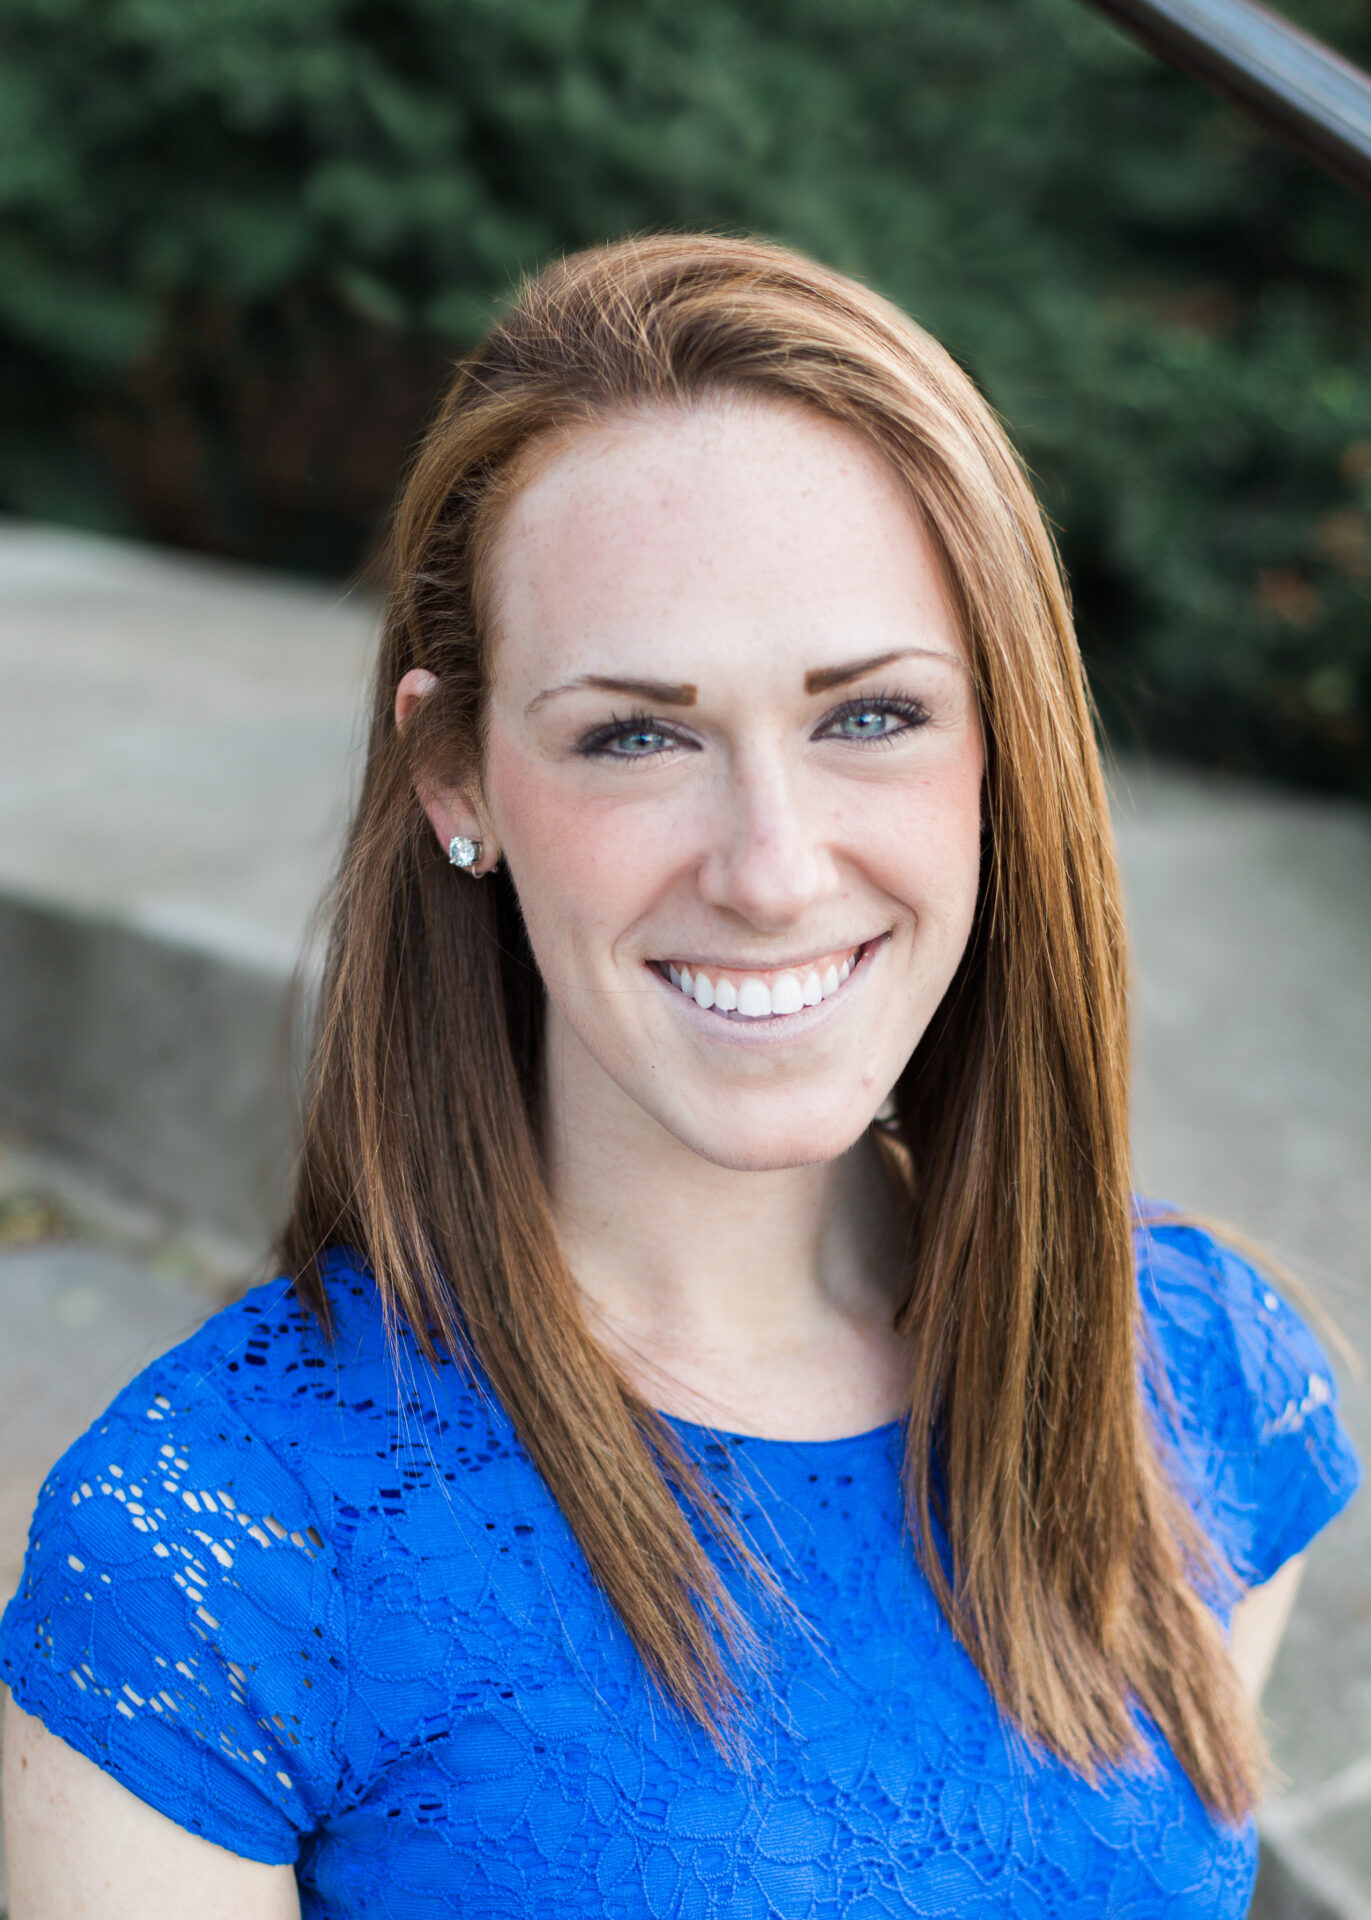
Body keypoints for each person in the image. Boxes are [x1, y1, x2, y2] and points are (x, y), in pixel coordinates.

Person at [0, 234, 1360, 1919]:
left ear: (1008, 748)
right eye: (637, 735)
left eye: (871, 716)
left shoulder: (1208, 1377)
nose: (773, 868)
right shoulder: (212, 1545)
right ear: (459, 780)